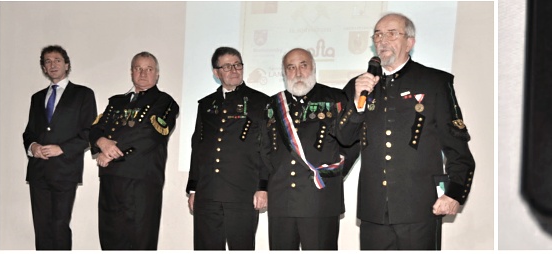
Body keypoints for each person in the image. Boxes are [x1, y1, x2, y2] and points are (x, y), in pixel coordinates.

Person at [342, 13, 474, 250]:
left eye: (391, 34)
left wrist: (454, 193)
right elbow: (344, 139)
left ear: (410, 42)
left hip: (419, 208)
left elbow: (457, 147)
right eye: (378, 35)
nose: (383, 40)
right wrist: (356, 105)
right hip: (373, 211)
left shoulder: (434, 82)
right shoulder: (358, 86)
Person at [266, 48, 359, 250]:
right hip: (281, 200)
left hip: (320, 199)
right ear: (284, 73)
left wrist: (332, 172)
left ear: (314, 68)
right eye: (291, 67)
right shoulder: (272, 105)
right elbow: (264, 151)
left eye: (303, 65)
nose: (298, 73)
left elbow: (353, 142)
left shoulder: (336, 99)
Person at [89, 52, 179, 250]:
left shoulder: (165, 102)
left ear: (157, 74)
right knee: (110, 239)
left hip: (141, 181)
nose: (143, 73)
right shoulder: (116, 102)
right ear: (131, 72)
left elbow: (149, 135)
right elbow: (96, 128)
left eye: (149, 69)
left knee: (139, 241)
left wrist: (111, 151)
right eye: (138, 68)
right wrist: (102, 142)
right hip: (110, 179)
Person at [187, 47, 271, 250]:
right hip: (208, 191)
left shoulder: (261, 102)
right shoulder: (206, 104)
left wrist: (263, 187)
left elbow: (267, 147)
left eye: (237, 65)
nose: (234, 70)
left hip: (242, 192)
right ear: (216, 72)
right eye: (226, 66)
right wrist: (193, 189)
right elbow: (198, 147)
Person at [22, 45, 97, 250]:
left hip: (65, 170)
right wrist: (33, 147)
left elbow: (90, 132)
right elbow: (29, 132)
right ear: (44, 68)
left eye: (57, 60)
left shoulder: (83, 94)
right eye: (47, 61)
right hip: (38, 171)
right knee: (41, 228)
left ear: (67, 65)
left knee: (59, 226)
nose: (52, 64)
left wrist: (61, 148)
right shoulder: (37, 98)